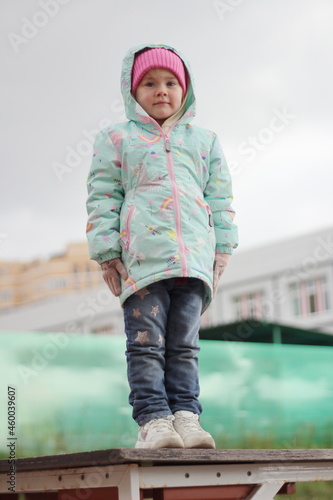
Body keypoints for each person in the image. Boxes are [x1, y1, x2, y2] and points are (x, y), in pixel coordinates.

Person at [86, 43, 238, 449]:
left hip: (192, 266)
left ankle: (186, 416)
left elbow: (220, 198)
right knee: (145, 344)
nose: (161, 90)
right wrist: (106, 253)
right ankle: (154, 420)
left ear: (184, 89)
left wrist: (222, 250)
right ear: (131, 92)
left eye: (171, 82)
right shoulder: (117, 139)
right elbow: (102, 196)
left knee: (185, 347)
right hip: (142, 264)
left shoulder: (205, 141)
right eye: (149, 83)